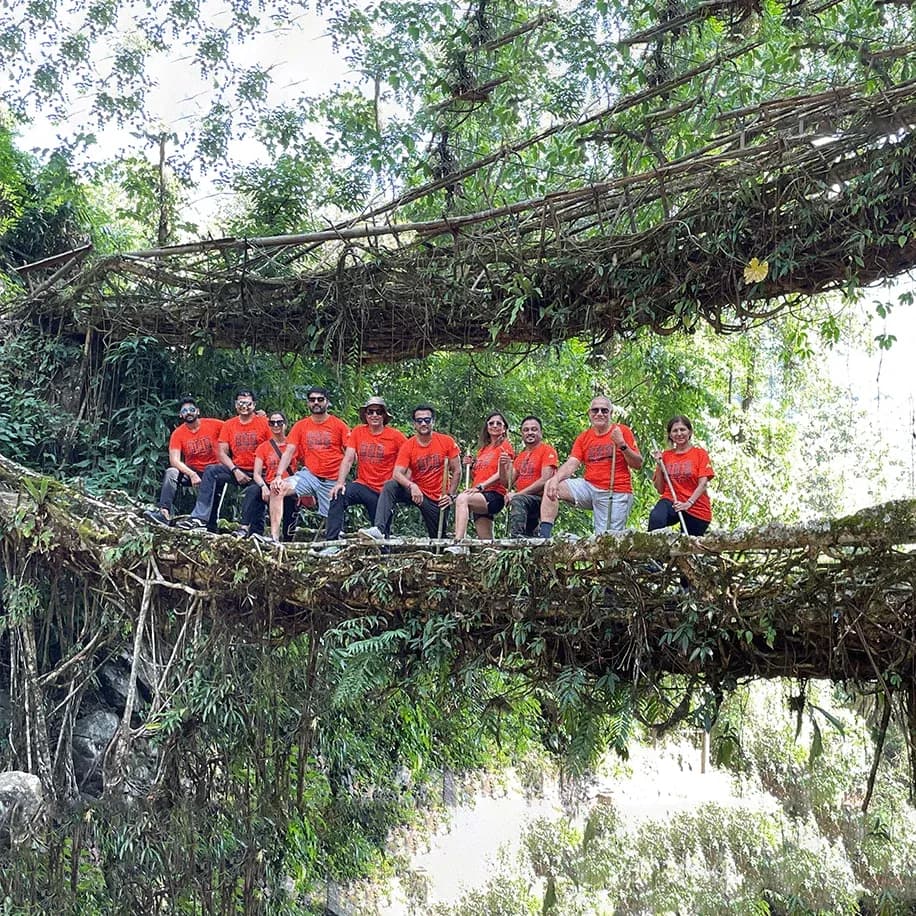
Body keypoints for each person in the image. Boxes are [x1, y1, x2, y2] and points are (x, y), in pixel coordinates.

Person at [539, 395, 643, 537]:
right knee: (552, 484)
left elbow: (637, 464)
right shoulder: (584, 437)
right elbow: (571, 464)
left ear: (611, 413)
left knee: (606, 540)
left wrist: (622, 445)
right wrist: (555, 479)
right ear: (589, 413)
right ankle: (544, 537)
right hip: (589, 486)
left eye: (604, 410)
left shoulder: (622, 431)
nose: (599, 413)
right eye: (595, 410)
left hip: (616, 491)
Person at [359, 404, 460, 540]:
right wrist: (411, 485)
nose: (423, 423)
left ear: (433, 422)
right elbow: (397, 473)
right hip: (418, 493)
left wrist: (451, 495)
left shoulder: (446, 442)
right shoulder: (409, 445)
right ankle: (379, 529)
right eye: (419, 421)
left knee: (437, 539)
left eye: (427, 420)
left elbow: (457, 470)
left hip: (438, 498)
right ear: (414, 424)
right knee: (391, 486)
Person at [321, 397, 406, 553]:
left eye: (378, 412)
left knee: (381, 538)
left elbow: (409, 459)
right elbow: (348, 459)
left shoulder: (395, 436)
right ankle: (332, 543)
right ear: (366, 415)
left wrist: (403, 484)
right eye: (370, 412)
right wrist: (340, 482)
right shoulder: (358, 432)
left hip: (382, 493)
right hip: (363, 485)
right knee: (338, 494)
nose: (374, 415)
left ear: (384, 415)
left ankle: (383, 562)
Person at [176, 389, 270, 530]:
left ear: (254, 405)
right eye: (240, 402)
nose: (244, 406)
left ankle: (254, 533)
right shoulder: (229, 425)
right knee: (212, 471)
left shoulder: (264, 423)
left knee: (256, 499)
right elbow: (222, 452)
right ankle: (200, 518)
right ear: (235, 404)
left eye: (247, 403)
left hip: (260, 472)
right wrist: (235, 470)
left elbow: (273, 448)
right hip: (238, 469)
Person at [267, 386, 349, 542]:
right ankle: (274, 538)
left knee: (332, 521)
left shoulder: (339, 425)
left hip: (332, 480)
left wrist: (341, 480)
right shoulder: (301, 425)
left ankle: (333, 545)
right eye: (312, 400)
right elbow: (289, 451)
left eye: (320, 399)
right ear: (308, 403)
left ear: (327, 402)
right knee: (277, 489)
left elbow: (351, 455)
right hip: (309, 475)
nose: (316, 403)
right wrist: (278, 476)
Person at [145, 398, 223, 526]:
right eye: (184, 411)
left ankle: (202, 522)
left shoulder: (213, 424)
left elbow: (234, 427)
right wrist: (191, 474)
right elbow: (174, 460)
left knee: (213, 516)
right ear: (181, 415)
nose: (188, 413)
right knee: (171, 472)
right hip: (193, 471)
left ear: (197, 411)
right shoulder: (178, 433)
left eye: (191, 410)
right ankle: (164, 512)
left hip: (214, 470)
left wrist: (259, 419)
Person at [449, 412, 515, 549]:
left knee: (462, 498)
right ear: (487, 427)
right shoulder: (483, 450)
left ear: (504, 428)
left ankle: (459, 542)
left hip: (493, 494)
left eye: (498, 423)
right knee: (488, 545)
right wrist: (471, 465)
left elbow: (500, 473)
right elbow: (478, 475)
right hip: (480, 494)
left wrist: (481, 487)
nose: (495, 426)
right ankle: (498, 565)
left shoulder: (505, 446)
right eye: (491, 423)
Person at [236, 411, 299, 539]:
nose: (276, 425)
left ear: (285, 425)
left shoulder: (293, 446)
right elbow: (257, 474)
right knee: (253, 491)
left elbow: (305, 466)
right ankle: (245, 527)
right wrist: (263, 486)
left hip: (289, 486)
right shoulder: (263, 447)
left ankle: (287, 544)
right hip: (270, 485)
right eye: (272, 423)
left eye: (279, 423)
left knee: (289, 523)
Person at [648, 415, 714, 536]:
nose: (679, 433)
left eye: (682, 429)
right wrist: (659, 466)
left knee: (687, 549)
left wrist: (688, 503)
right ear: (670, 435)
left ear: (690, 432)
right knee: (656, 517)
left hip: (696, 507)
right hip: (672, 501)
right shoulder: (666, 456)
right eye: (675, 430)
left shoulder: (700, 454)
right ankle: (656, 553)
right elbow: (660, 489)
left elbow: (703, 483)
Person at [501, 415, 559, 538]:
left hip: (540, 500)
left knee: (517, 499)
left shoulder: (547, 450)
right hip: (524, 502)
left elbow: (545, 480)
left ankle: (516, 538)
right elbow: (507, 482)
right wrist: (502, 466)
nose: (530, 432)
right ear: (522, 434)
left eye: (534, 429)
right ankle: (526, 538)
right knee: (517, 501)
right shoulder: (521, 456)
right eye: (526, 430)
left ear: (541, 432)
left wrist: (518, 494)